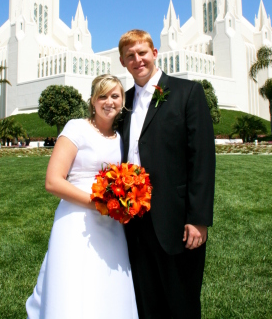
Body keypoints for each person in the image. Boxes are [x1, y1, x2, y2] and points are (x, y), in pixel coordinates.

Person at [118, 30, 215, 319]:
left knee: (180, 302)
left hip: (175, 221)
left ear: (155, 52)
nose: (138, 60)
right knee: (146, 302)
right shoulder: (123, 102)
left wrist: (198, 219)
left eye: (142, 53)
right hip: (134, 223)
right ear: (123, 62)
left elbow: (202, 159)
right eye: (130, 56)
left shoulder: (188, 93)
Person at [26, 74, 138, 319]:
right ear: (93, 101)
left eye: (115, 96)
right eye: (103, 96)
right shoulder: (76, 127)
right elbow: (53, 181)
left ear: (123, 101)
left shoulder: (120, 137)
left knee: (108, 283)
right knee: (74, 284)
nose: (109, 101)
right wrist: (98, 203)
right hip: (76, 220)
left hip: (111, 224)